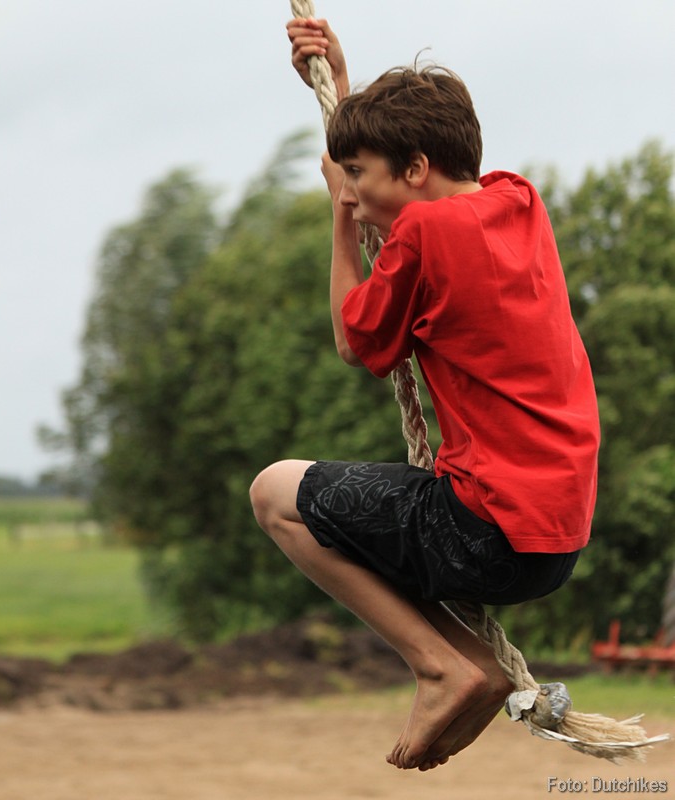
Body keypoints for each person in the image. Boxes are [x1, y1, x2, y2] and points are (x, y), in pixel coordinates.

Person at [249, 17, 600, 771]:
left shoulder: (425, 235)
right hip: (556, 539)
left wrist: (340, 216)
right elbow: (409, 163)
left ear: (414, 168)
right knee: (350, 502)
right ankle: (473, 663)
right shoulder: (519, 200)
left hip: (485, 531)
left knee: (274, 493)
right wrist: (340, 91)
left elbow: (354, 342)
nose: (355, 192)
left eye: (361, 174)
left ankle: (439, 664)